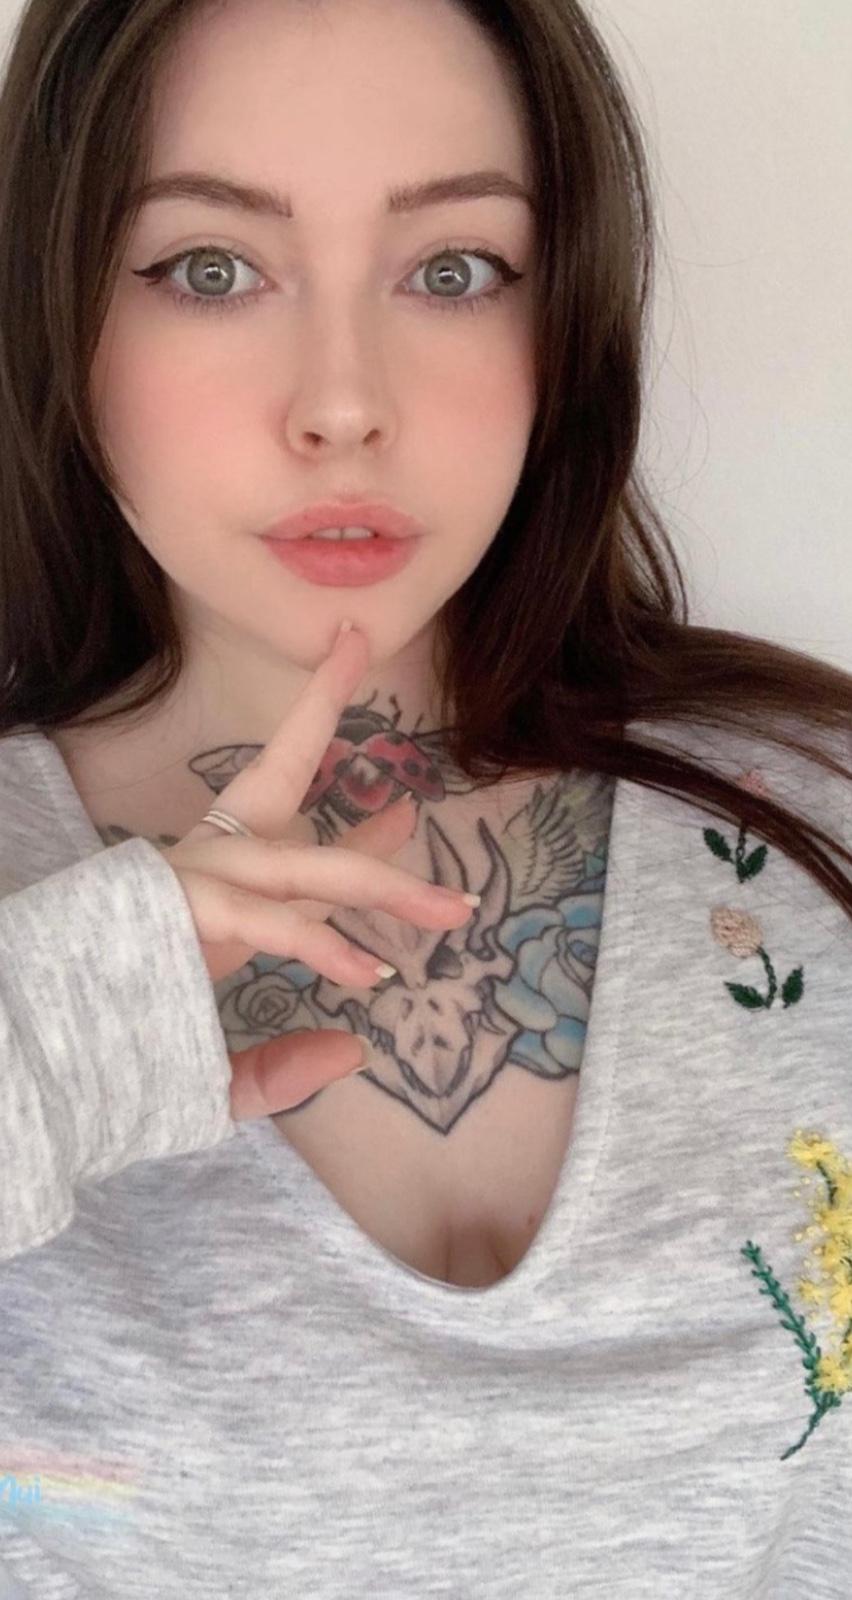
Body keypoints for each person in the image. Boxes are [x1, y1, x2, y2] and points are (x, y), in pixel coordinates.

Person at [0, 0, 850, 1593]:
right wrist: (51, 1025)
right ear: (60, 308)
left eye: (453, 270)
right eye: (209, 268)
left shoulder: (814, 823)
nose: (342, 402)